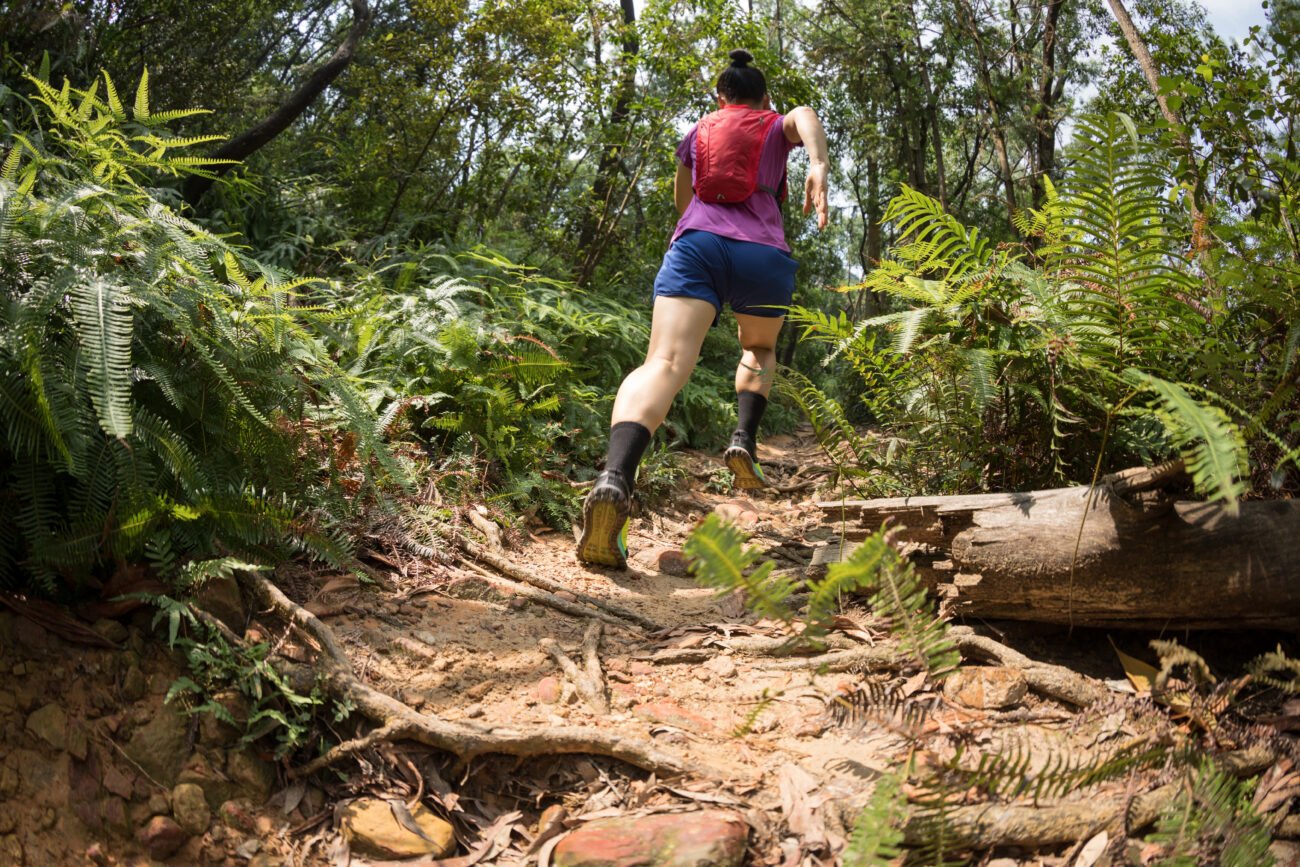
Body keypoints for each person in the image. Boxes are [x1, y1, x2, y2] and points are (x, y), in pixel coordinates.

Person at [577, 49, 830, 568]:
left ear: (720, 99)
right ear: (764, 99)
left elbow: (681, 198)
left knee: (663, 364)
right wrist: (818, 164)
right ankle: (743, 440)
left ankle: (614, 478)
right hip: (762, 253)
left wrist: (704, 229)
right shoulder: (773, 124)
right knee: (758, 347)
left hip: (697, 246)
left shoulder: (697, 133)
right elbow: (804, 116)